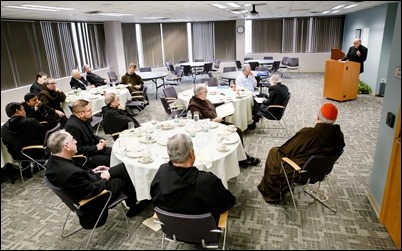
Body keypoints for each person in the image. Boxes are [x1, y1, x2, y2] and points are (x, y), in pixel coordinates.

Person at [257, 103, 345, 204]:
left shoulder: (309, 134)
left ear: (317, 116)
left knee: (274, 152)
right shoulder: (339, 136)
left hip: (300, 172)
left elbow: (285, 150)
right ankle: (284, 186)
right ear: (335, 119)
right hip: (321, 171)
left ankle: (272, 194)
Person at [45, 129, 144, 219]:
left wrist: (93, 172)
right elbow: (93, 190)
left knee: (120, 168)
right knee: (124, 171)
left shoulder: (54, 161)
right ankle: (134, 206)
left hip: (86, 186)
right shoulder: (69, 172)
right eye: (73, 140)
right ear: (66, 146)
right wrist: (105, 178)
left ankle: (136, 199)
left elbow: (79, 178)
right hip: (95, 200)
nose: (76, 141)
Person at [150, 133, 235, 223]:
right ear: (191, 154)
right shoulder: (207, 181)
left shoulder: (161, 171)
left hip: (171, 228)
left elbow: (154, 198)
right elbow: (227, 202)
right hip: (204, 232)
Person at [188, 83, 261, 167]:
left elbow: (213, 108)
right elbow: (198, 122)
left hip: (217, 123)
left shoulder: (204, 100)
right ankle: (243, 158)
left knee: (237, 130)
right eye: (205, 91)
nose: (207, 93)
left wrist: (225, 111)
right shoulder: (194, 105)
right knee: (236, 131)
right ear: (200, 93)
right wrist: (213, 120)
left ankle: (241, 156)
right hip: (210, 127)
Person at [64, 99, 111, 169]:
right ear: (81, 114)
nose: (92, 112)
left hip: (93, 149)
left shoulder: (85, 119)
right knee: (112, 160)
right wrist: (96, 147)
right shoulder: (72, 126)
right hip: (86, 156)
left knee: (116, 153)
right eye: (89, 110)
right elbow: (77, 149)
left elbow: (90, 135)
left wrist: (100, 139)